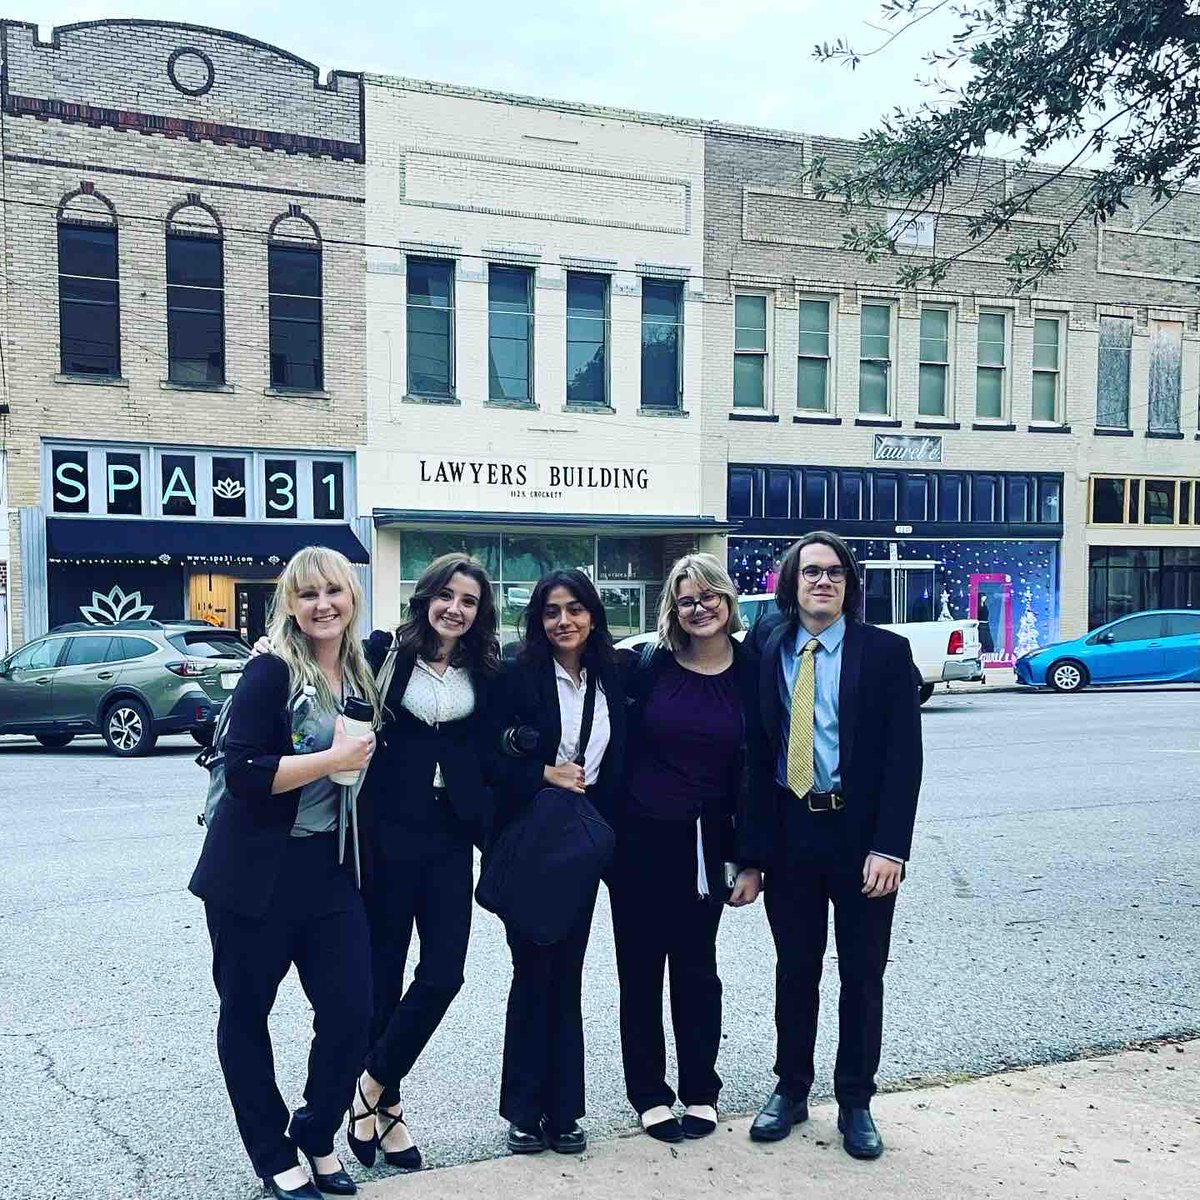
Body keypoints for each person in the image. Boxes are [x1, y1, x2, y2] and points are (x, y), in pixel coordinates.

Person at [189, 547, 380, 1200]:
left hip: (328, 866)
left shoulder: (363, 668)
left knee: (353, 1011)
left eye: (334, 591)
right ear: (290, 604)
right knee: (246, 1014)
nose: (323, 604)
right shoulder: (270, 671)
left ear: (352, 596)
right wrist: (332, 759)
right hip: (254, 873)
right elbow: (245, 773)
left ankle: (317, 1130)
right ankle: (273, 1153)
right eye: (308, 594)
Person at [744, 531, 922, 1161]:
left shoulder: (886, 653)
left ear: (849, 584)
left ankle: (855, 1100)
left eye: (835, 572)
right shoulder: (767, 645)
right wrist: (751, 854)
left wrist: (890, 848)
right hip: (791, 832)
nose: (822, 581)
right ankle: (791, 1089)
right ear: (791, 583)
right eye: (810, 571)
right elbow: (754, 755)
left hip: (860, 838)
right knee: (795, 969)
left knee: (862, 972)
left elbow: (904, 759)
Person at [346, 554, 500, 1171]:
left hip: (449, 835)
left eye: (469, 601)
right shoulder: (385, 652)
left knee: (443, 973)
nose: (455, 609)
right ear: (426, 597)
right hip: (386, 832)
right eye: (446, 596)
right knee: (382, 974)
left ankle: (369, 1085)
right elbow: (325, 682)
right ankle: (389, 1111)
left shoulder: (485, 667)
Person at [610, 553, 762, 1144]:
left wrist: (751, 858)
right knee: (639, 971)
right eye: (686, 600)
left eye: (709, 596)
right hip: (639, 839)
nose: (699, 608)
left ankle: (701, 1089)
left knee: (698, 971)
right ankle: (648, 1094)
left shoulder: (752, 670)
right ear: (672, 609)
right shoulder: (647, 665)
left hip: (707, 844)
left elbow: (761, 770)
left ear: (727, 600)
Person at [488, 569, 627, 1155]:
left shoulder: (615, 675)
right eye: (551, 611)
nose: (563, 621)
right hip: (532, 843)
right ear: (537, 620)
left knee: (567, 974)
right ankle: (524, 1111)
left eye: (574, 609)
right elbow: (485, 755)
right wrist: (542, 772)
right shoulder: (517, 677)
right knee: (532, 972)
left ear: (593, 615)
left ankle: (565, 1111)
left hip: (582, 847)